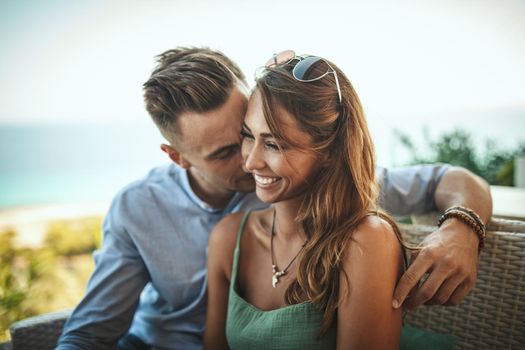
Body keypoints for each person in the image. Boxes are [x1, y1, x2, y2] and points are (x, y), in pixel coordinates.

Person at [56, 48, 492, 350]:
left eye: (261, 136)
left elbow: (448, 178)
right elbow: (91, 330)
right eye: (232, 148)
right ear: (177, 157)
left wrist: (462, 228)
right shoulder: (143, 210)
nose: (249, 160)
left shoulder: (317, 188)